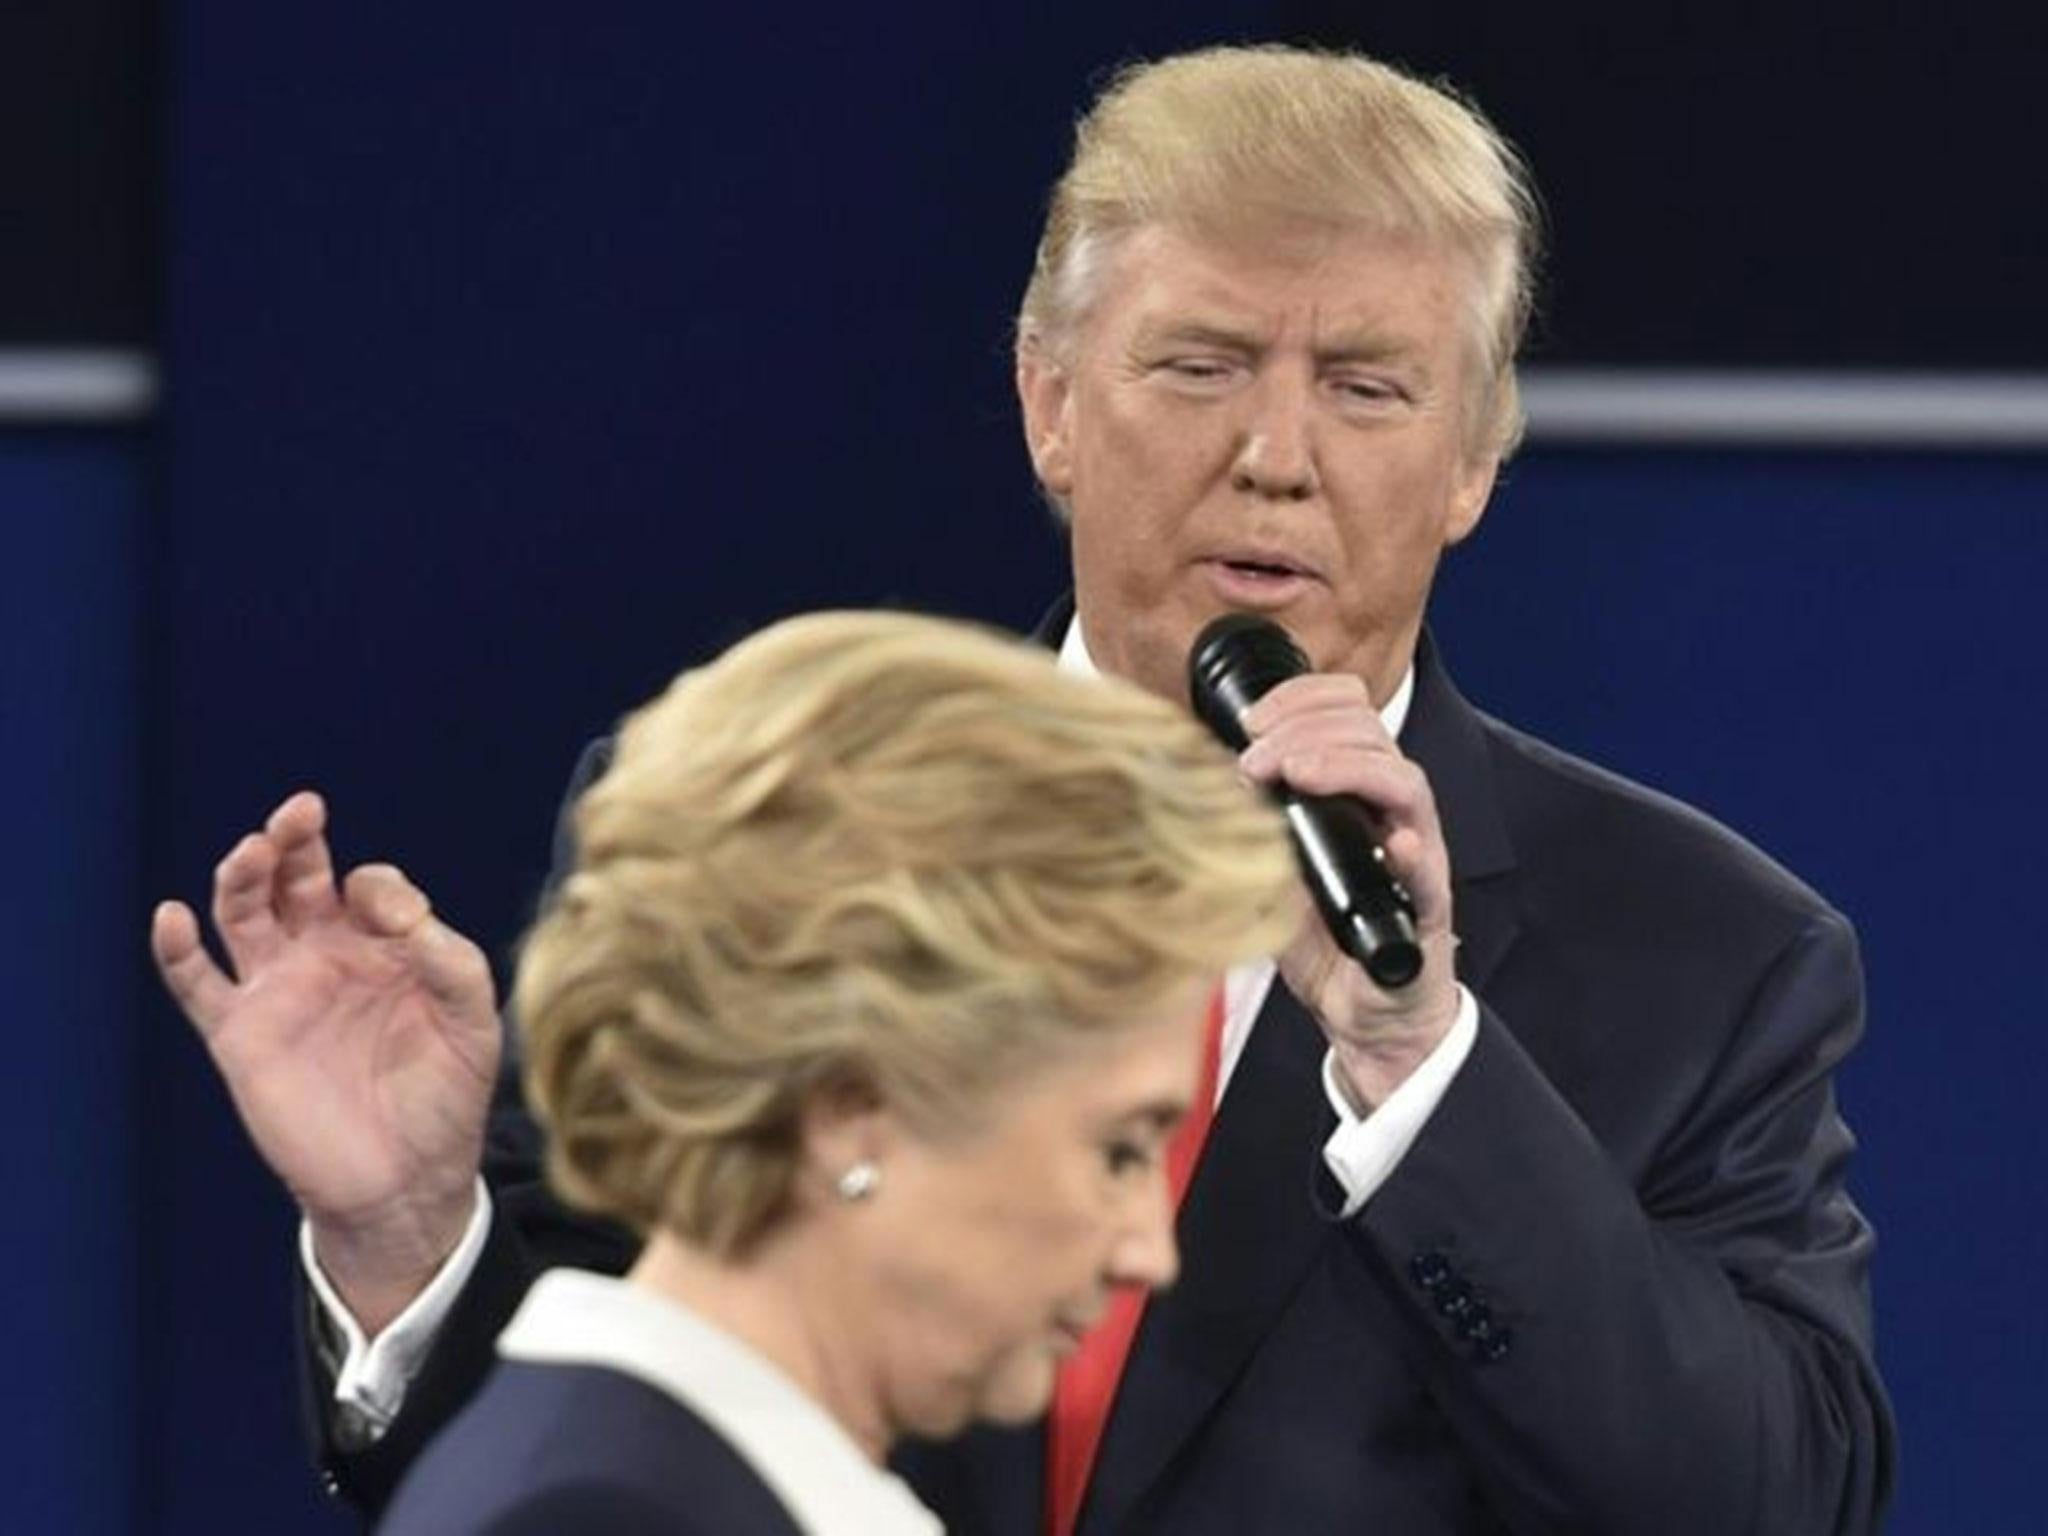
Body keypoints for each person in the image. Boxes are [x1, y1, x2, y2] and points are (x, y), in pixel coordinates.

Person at [153, 42, 1895, 1536]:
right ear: (1047, 402)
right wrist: (404, 1238)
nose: (1273, 457)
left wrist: (1417, 1058)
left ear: (1470, 466)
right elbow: (591, 1462)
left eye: (1364, 389)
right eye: (1199, 364)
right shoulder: (781, 812)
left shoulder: (1703, 957)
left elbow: (1761, 1502)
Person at [177, 610, 1302, 1536]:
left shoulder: (682, 1481)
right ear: (855, 1111)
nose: (1147, 1247)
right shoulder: (610, 1512)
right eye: (1114, 1149)